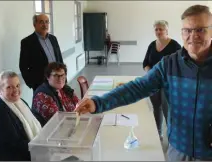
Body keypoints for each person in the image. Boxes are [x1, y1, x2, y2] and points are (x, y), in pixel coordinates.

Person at [75, 5, 212, 161]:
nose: (193, 36)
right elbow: (137, 88)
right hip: (178, 150)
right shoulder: (169, 64)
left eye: (200, 30)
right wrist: (98, 103)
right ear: (181, 32)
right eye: (187, 30)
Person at [143, 20, 181, 140]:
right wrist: (149, 71)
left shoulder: (175, 46)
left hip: (168, 83)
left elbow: (180, 65)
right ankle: (158, 133)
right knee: (156, 107)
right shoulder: (152, 45)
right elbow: (145, 63)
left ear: (166, 30)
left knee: (167, 109)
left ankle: (171, 135)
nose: (158, 31)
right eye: (156, 29)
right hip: (153, 82)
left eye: (161, 29)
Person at [0, 71, 42, 161]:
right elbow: (12, 144)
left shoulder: (20, 101)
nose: (15, 90)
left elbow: (35, 120)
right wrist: (40, 148)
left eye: (17, 85)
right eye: (9, 87)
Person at [19, 14, 64, 92]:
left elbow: (59, 58)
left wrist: (63, 76)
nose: (45, 25)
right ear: (34, 24)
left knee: (58, 102)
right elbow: (23, 66)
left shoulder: (53, 39)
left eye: (47, 22)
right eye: (41, 22)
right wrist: (32, 84)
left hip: (58, 79)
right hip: (40, 83)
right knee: (42, 103)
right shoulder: (27, 42)